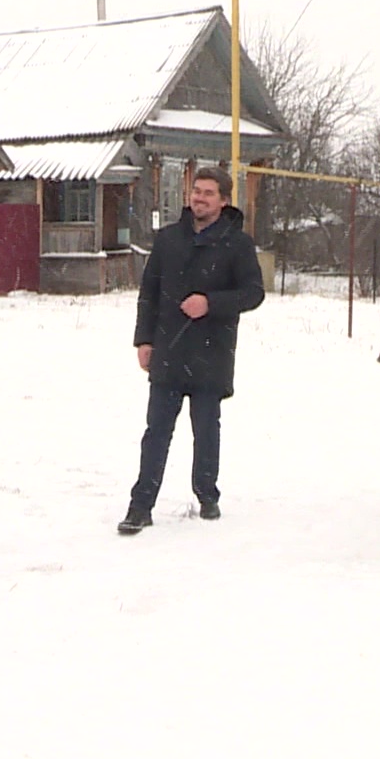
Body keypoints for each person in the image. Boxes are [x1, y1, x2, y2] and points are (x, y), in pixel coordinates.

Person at [120, 165, 265, 535]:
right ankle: (141, 506)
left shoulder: (238, 243)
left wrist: (211, 302)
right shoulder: (169, 239)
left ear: (224, 200)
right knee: (156, 431)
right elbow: (148, 293)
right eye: (196, 191)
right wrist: (144, 340)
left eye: (208, 193)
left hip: (210, 351)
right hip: (169, 347)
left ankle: (207, 495)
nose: (199, 198)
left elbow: (253, 293)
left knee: (206, 429)